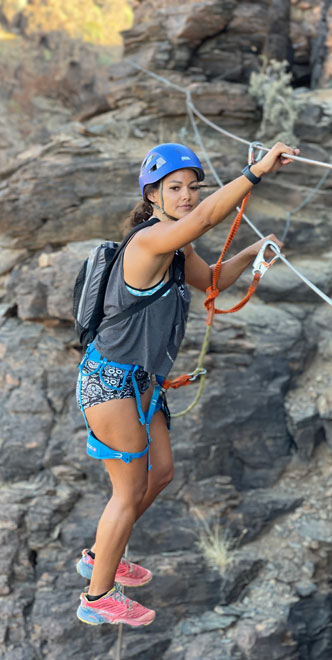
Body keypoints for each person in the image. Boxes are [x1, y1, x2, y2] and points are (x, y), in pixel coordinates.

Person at [75, 141, 299, 627]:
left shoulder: (177, 251)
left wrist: (256, 251)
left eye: (192, 188)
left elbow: (214, 281)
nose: (187, 196)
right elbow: (201, 222)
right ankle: (95, 598)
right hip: (112, 384)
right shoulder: (148, 242)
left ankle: (99, 555)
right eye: (175, 188)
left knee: (162, 473)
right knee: (127, 492)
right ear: (152, 195)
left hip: (140, 384)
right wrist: (256, 173)